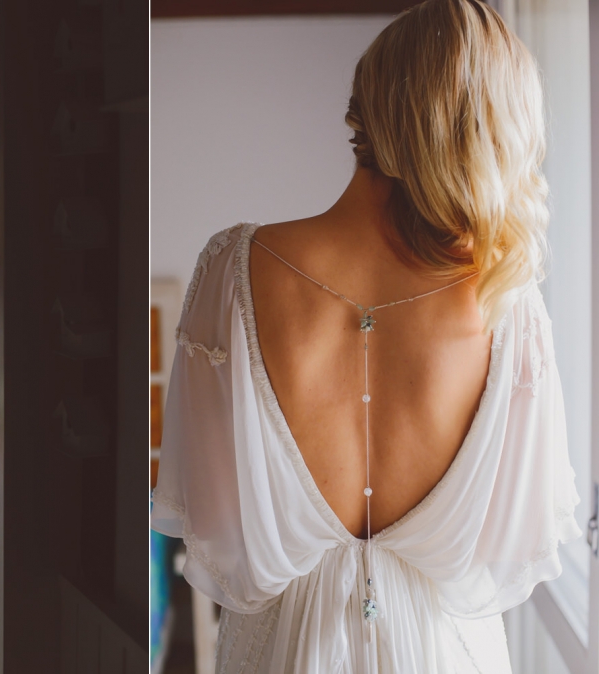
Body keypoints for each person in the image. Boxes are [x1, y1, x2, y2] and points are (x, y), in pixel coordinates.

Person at [149, 1, 581, 671]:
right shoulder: (507, 301)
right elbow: (512, 541)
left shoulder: (232, 270)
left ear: (369, 105)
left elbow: (215, 524)